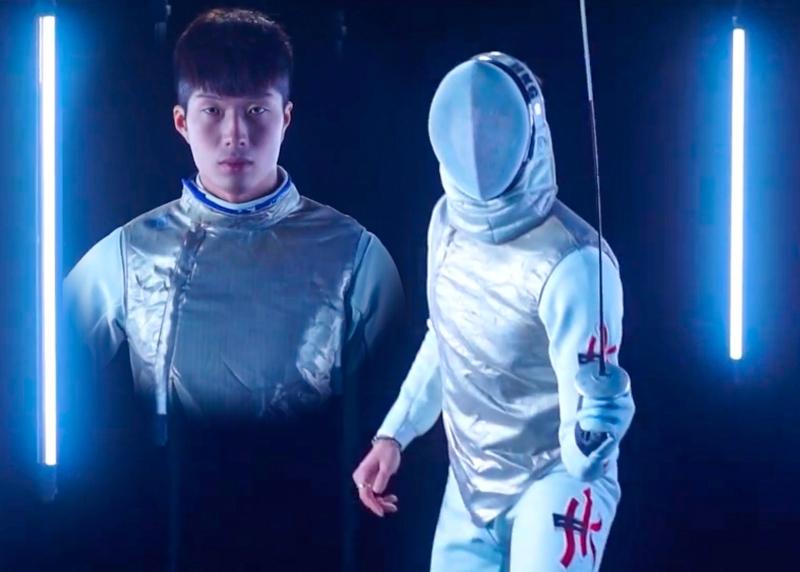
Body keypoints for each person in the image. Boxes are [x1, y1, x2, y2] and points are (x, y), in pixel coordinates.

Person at [64, 8, 402, 570]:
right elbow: (45, 370)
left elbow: (404, 392)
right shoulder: (127, 253)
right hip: (168, 526)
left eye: (256, 111)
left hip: (309, 525)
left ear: (286, 117)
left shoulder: (356, 254)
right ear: (181, 121)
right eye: (213, 111)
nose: (235, 135)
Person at [353, 52, 634, 571]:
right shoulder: (446, 225)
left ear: (529, 131)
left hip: (555, 476)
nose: (479, 141)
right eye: (470, 126)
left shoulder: (574, 263)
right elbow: (449, 339)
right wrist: (395, 433)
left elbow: (583, 438)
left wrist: (595, 430)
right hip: (473, 478)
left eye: (496, 123)